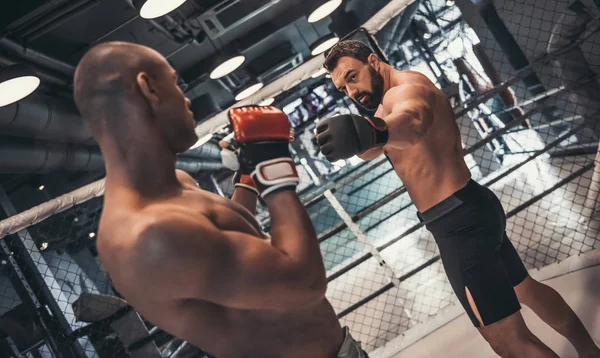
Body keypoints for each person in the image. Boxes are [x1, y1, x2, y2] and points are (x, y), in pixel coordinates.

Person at [73, 41, 369, 358]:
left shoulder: (176, 188)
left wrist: (248, 174)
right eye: (174, 82)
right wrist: (274, 167)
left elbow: (228, 243)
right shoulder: (149, 234)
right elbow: (304, 283)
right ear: (150, 89)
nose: (186, 100)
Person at [315, 40, 600, 358]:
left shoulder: (406, 90)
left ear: (373, 61)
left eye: (352, 77)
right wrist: (353, 134)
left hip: (458, 227)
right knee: (526, 289)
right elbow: (375, 145)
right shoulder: (385, 105)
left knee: (507, 340)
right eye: (343, 89)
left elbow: (413, 123)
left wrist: (372, 132)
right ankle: (590, 351)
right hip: (472, 206)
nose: (351, 92)